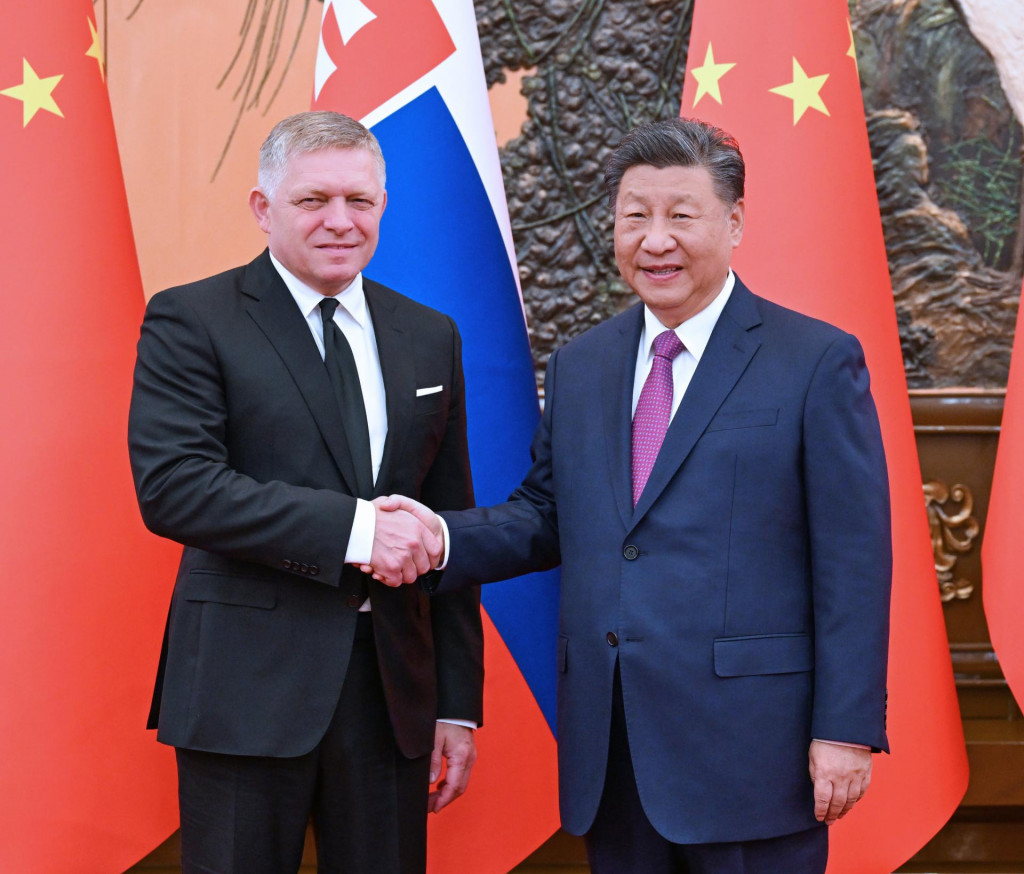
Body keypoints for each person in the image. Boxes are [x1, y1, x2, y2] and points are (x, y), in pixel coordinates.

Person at [372, 118, 892, 873]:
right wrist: (438, 539)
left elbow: (853, 560)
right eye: (634, 216)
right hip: (613, 752)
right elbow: (548, 515)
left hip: (754, 754)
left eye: (681, 215)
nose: (656, 240)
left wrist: (844, 729)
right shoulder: (584, 365)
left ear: (735, 221)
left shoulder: (814, 360)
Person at [127, 111, 482, 874]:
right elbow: (176, 488)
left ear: (384, 207)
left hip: (393, 696)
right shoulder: (193, 319)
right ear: (263, 209)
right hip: (243, 692)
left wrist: (457, 700)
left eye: (360, 201)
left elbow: (446, 523)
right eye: (312, 200)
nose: (339, 221)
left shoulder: (430, 334)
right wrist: (358, 531)